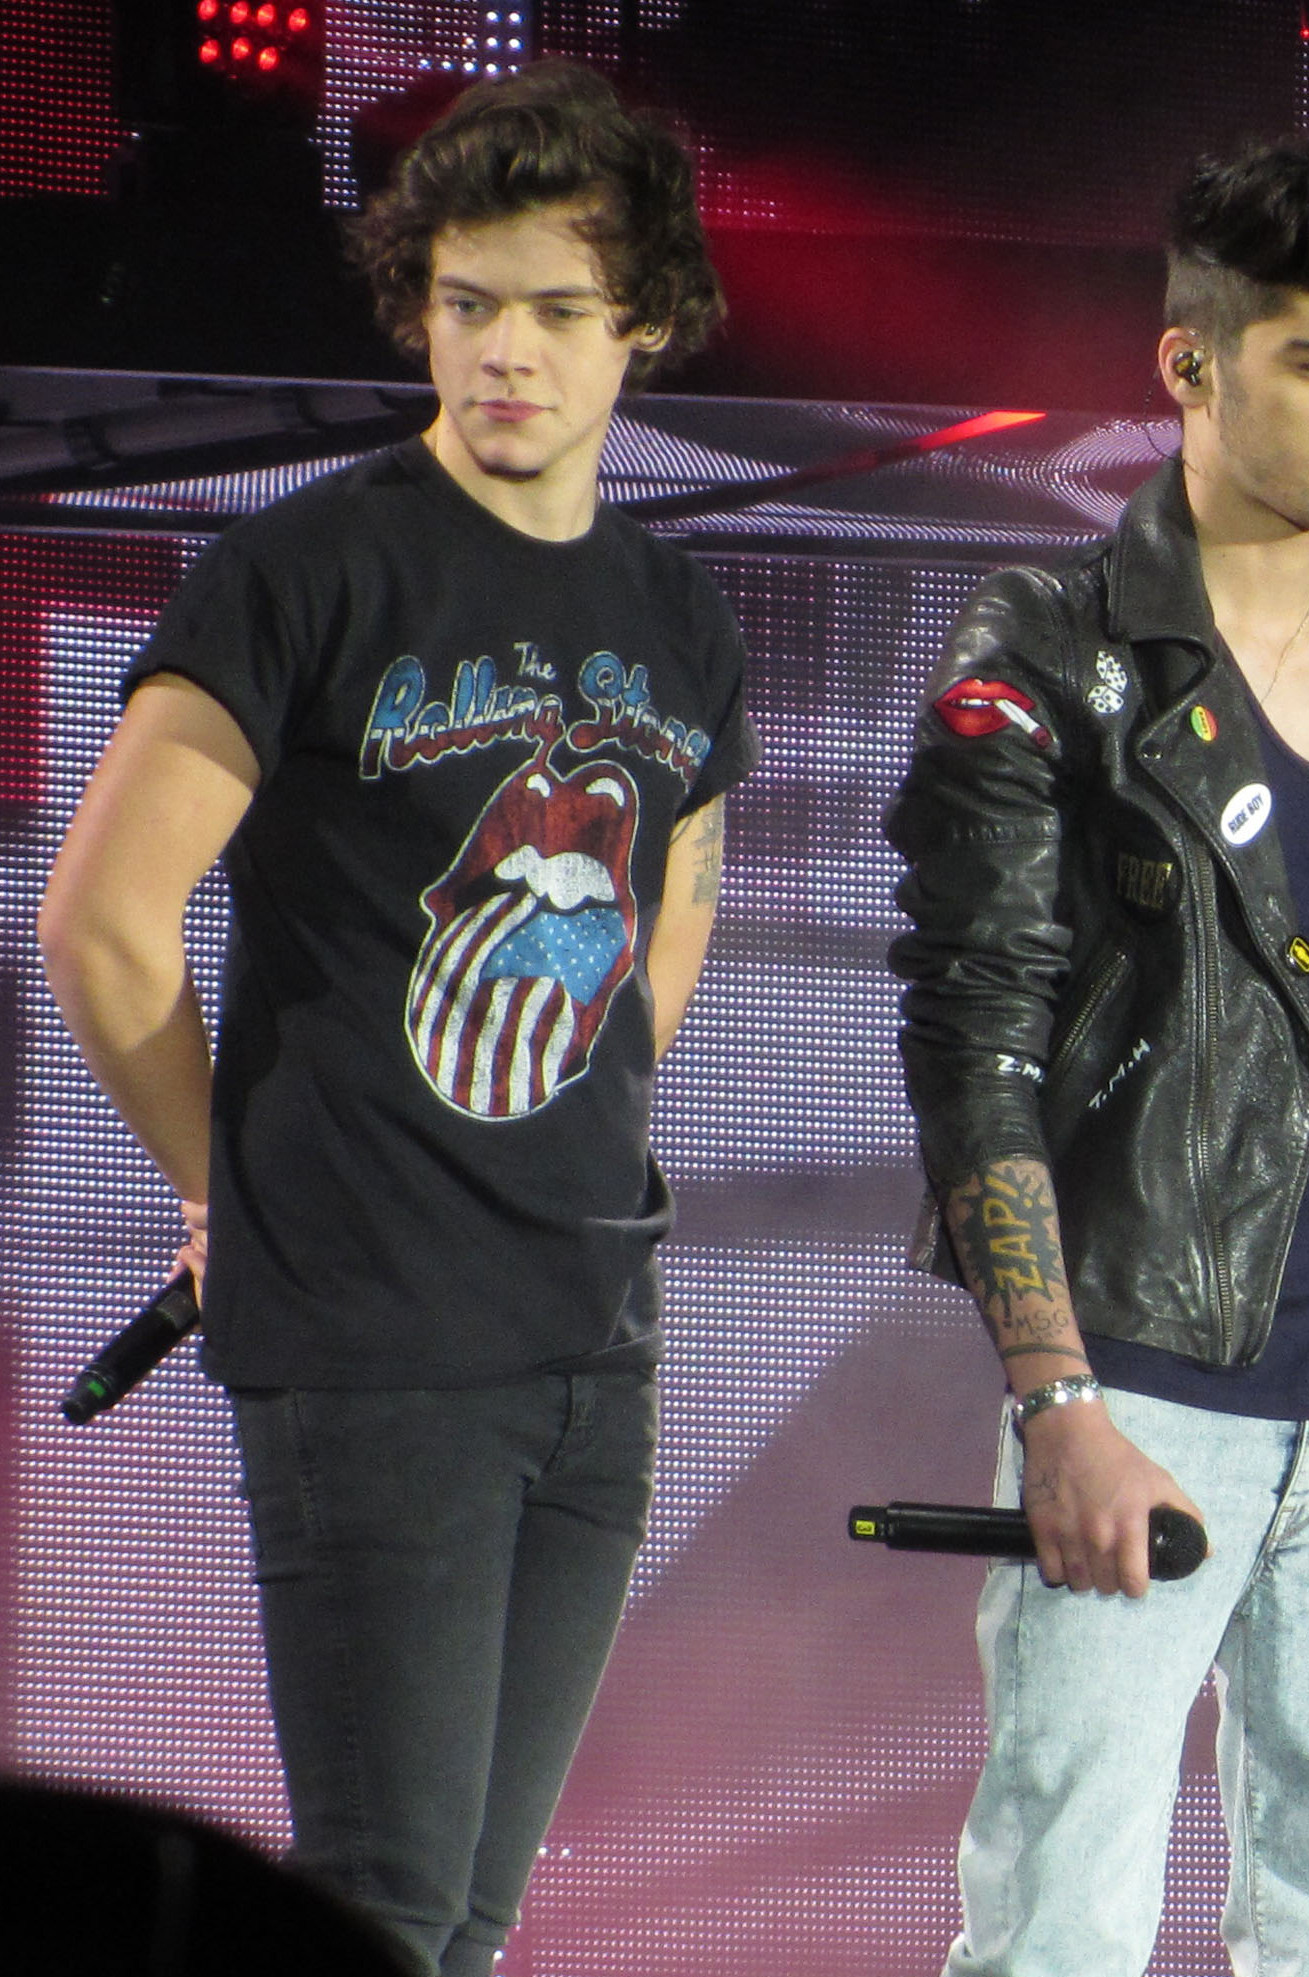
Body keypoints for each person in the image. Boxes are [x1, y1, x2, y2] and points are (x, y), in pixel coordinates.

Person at [37, 61, 742, 1977]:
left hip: (594, 1337)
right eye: (465, 302)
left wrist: (591, 1111)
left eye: (557, 310)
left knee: (471, 1918)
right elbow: (103, 924)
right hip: (374, 1336)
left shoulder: (679, 610)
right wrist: (229, 1187)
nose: (505, 350)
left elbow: (672, 902)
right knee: (386, 1902)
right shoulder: (306, 569)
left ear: (644, 326)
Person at [884, 126, 1309, 1977]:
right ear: (1190, 363)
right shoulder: (1046, 646)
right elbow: (974, 1048)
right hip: (1143, 1391)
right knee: (1060, 1931)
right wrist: (1057, 1405)